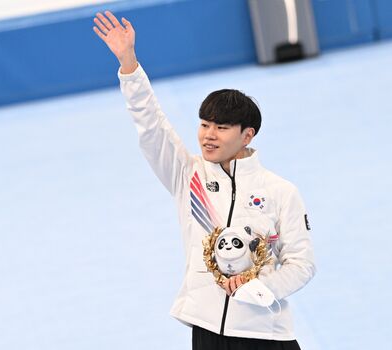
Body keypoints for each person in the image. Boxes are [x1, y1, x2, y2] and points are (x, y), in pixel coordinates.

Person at [93, 11, 315, 350]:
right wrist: (129, 65)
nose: (208, 136)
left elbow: (302, 263)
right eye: (204, 125)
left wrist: (258, 288)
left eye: (221, 128)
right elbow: (151, 125)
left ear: (247, 135)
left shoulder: (280, 192)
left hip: (266, 335)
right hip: (208, 331)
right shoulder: (187, 175)